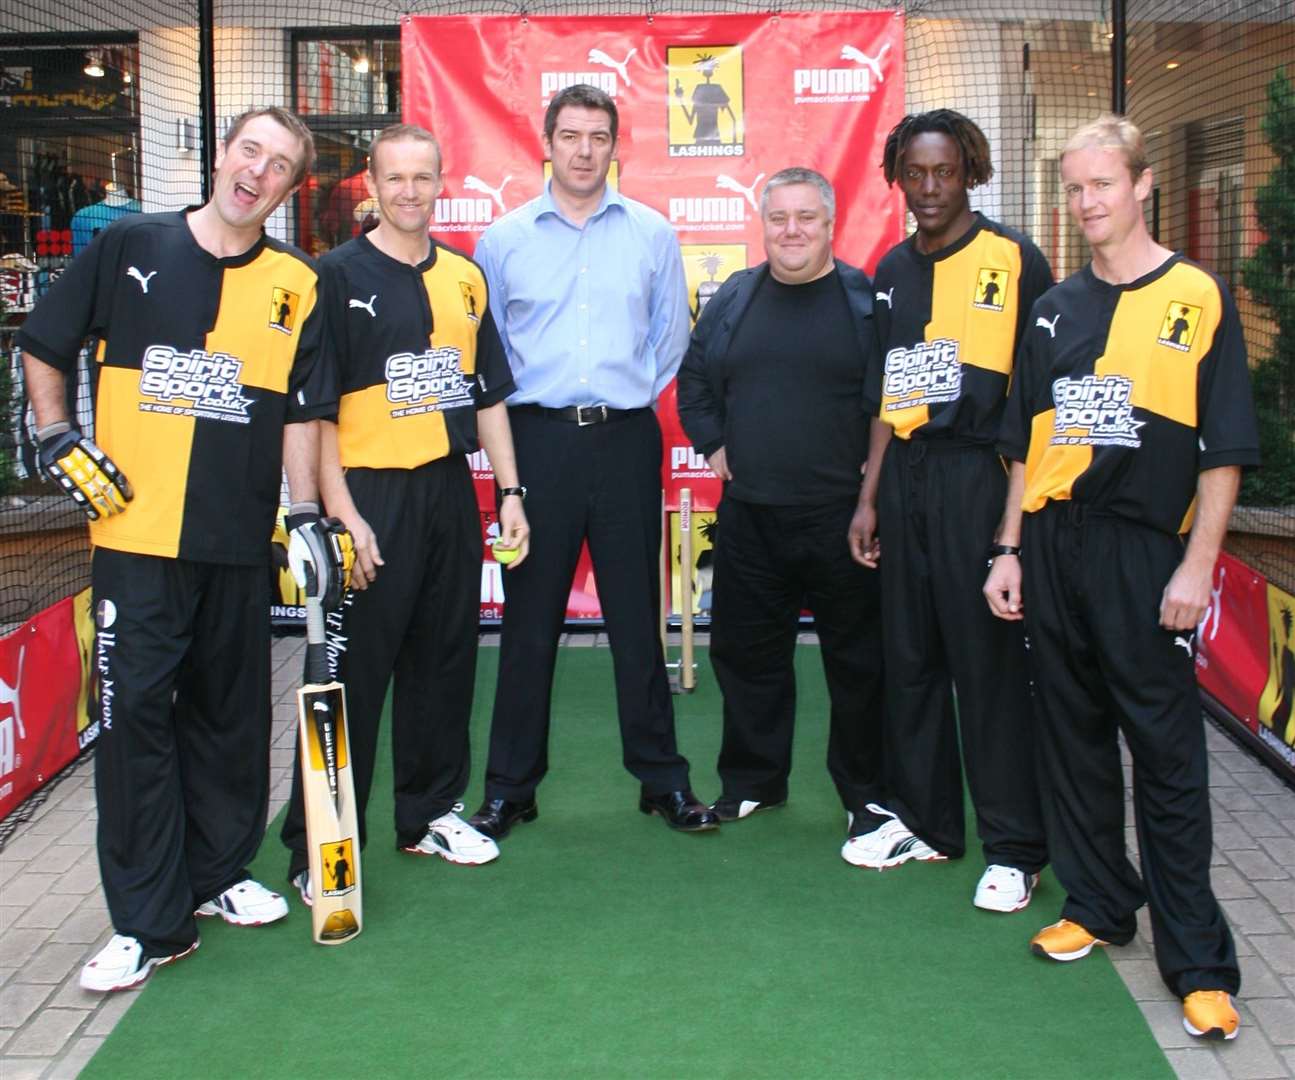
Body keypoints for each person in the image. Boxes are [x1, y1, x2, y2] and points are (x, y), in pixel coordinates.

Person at [18, 107, 339, 992]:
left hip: (238, 544)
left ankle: (218, 875)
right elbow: (44, 342)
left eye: (278, 166)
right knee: (135, 729)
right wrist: (56, 433)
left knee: (230, 724)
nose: (256, 173)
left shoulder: (297, 282)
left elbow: (305, 413)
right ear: (222, 154)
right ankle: (144, 920)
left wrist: (306, 516)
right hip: (135, 538)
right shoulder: (131, 248)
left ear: (288, 189)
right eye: (249, 152)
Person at [985, 114, 1258, 1040]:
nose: (1086, 201)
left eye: (1101, 183)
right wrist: (1010, 549)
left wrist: (1196, 563)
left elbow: (1221, 456)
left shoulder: (1197, 295)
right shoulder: (1053, 307)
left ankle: (1198, 962)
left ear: (1142, 185)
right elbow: (1024, 443)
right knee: (1070, 738)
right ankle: (1099, 905)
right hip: (1054, 547)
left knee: (1169, 758)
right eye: (1072, 187)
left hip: (1145, 553)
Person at [280, 123, 529, 896]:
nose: (410, 191)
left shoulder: (464, 276)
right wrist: (344, 515)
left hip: (447, 490)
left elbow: (486, 397)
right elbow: (314, 414)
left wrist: (510, 491)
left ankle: (428, 815)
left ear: (440, 181)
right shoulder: (332, 277)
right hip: (370, 494)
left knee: (445, 659)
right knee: (352, 675)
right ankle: (314, 843)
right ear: (371, 184)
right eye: (396, 178)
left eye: (424, 177)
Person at [469, 84, 717, 838]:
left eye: (598, 136)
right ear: (545, 142)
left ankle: (660, 782)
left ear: (616, 146)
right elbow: (493, 357)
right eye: (570, 135)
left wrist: (625, 394)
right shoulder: (503, 240)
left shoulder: (650, 233)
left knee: (639, 620)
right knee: (528, 623)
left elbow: (670, 341)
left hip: (624, 439)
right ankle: (511, 788)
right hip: (535, 443)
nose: (583, 150)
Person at [849, 110, 1051, 905]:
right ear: (896, 176)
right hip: (905, 481)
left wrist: (1012, 530)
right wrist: (868, 498)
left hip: (980, 479)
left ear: (970, 170)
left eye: (943, 172)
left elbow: (1035, 405)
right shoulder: (891, 269)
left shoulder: (1014, 259)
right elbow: (882, 397)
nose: (928, 189)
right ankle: (927, 823)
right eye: (914, 173)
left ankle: (1015, 846)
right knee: (911, 657)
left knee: (988, 666)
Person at [676, 167, 886, 852]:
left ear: (830, 224)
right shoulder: (734, 297)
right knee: (745, 654)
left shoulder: (864, 302)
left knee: (856, 663)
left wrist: (872, 483)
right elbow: (694, 381)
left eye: (805, 218)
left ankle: (865, 795)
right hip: (750, 517)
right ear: (761, 224)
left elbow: (891, 399)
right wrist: (710, 445)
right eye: (778, 218)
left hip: (840, 519)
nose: (791, 230)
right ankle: (753, 779)